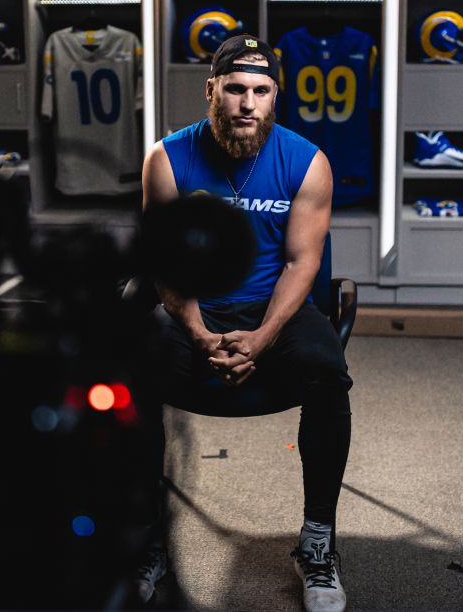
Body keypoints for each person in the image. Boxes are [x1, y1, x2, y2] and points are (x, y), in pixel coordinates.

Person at [139, 35, 354, 612]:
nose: (247, 103)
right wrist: (199, 332)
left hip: (272, 310)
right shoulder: (166, 158)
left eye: (261, 91)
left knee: (329, 372)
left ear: (275, 97)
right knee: (126, 374)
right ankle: (145, 538)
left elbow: (301, 262)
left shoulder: (307, 162)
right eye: (235, 89)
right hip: (193, 309)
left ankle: (317, 542)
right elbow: (162, 263)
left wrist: (261, 338)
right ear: (212, 90)